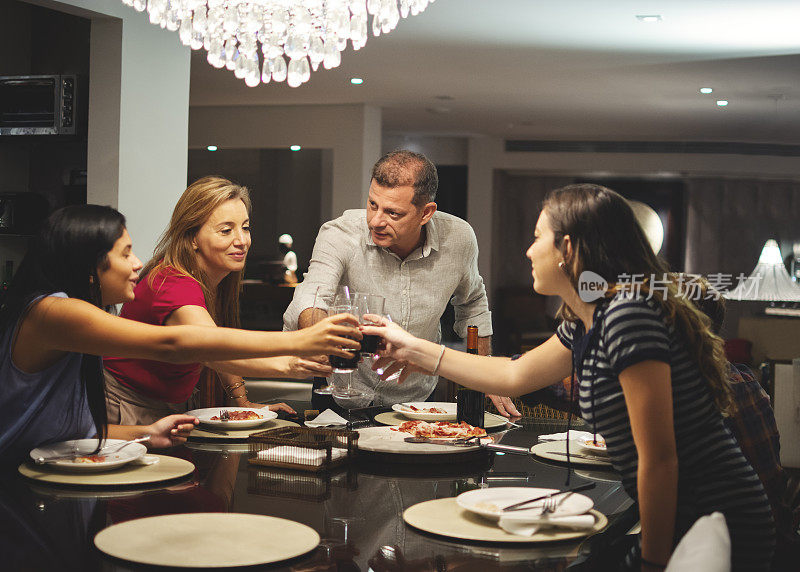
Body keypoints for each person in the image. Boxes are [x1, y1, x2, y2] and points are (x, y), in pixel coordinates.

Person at [364, 184, 775, 571]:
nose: (528, 251)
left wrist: (652, 561)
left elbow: (661, 459)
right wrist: (412, 348)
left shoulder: (628, 316)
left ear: (567, 248)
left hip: (714, 521)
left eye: (537, 237)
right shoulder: (589, 318)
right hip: (683, 518)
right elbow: (514, 373)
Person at [0, 204, 359, 460]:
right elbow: (175, 344)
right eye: (125, 254)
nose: (138, 263)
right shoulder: (54, 312)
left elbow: (71, 430)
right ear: (90, 268)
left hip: (43, 466)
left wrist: (146, 433)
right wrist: (298, 341)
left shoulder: (76, 314)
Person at [284, 150, 519, 415]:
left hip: (417, 394)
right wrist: (324, 343)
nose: (376, 221)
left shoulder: (459, 237)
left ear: (426, 213)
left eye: (393, 213)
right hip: (343, 390)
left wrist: (485, 370)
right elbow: (311, 297)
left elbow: (473, 304)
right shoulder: (339, 233)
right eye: (372, 204)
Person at [104, 177, 333, 425]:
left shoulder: (214, 277)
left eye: (245, 227)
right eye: (226, 230)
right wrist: (290, 362)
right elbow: (212, 350)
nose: (241, 240)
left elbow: (220, 338)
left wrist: (242, 401)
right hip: (128, 404)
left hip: (171, 404)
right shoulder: (173, 283)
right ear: (192, 237)